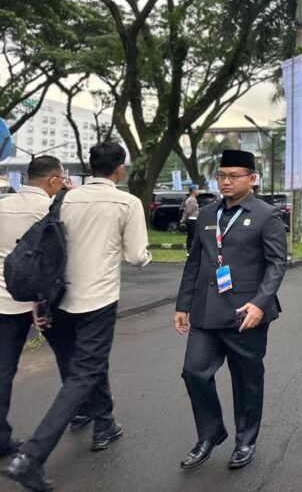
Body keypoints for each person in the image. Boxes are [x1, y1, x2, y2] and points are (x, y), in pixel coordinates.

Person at [7, 142, 152, 491]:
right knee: (83, 373)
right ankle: (31, 457)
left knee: (86, 365)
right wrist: (143, 254)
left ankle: (104, 424)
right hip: (97, 299)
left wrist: (41, 301)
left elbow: (50, 247)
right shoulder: (127, 203)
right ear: (120, 169)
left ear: (90, 166)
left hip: (60, 297)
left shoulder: (64, 199)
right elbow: (137, 256)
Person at [174, 150, 286, 471]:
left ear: (251, 179)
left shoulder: (267, 215)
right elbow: (195, 262)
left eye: (234, 176)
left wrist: (260, 303)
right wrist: (183, 304)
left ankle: (245, 440)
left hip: (246, 313)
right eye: (222, 175)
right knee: (194, 371)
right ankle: (210, 433)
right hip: (207, 310)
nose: (226, 181)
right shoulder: (207, 214)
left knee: (246, 379)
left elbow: (277, 264)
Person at [0, 157, 68, 462]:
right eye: (61, 181)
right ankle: (88, 412)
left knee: (3, 372)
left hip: (2, 298)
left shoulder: (2, 205)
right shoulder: (51, 210)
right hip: (35, 301)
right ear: (53, 180)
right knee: (73, 360)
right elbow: (55, 260)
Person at [180, 185, 201, 256]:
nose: (198, 191)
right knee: (194, 235)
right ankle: (192, 251)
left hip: (191, 219)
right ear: (193, 191)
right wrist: (183, 220)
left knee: (190, 236)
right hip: (192, 219)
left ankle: (189, 251)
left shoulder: (190, 199)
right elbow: (189, 210)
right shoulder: (192, 200)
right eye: (197, 190)